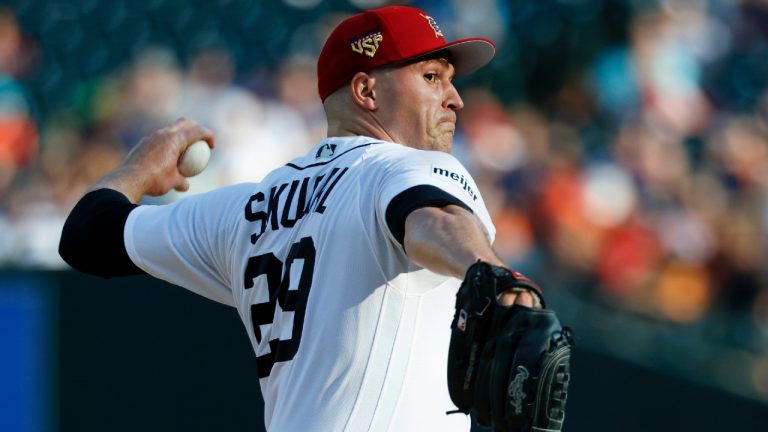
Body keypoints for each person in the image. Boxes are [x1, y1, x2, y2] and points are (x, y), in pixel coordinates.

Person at [59, 6, 537, 431]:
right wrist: (491, 273)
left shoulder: (242, 210)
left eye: (450, 79)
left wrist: (137, 169)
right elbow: (430, 216)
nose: (454, 98)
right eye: (431, 77)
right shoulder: (399, 167)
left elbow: (87, 236)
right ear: (366, 90)